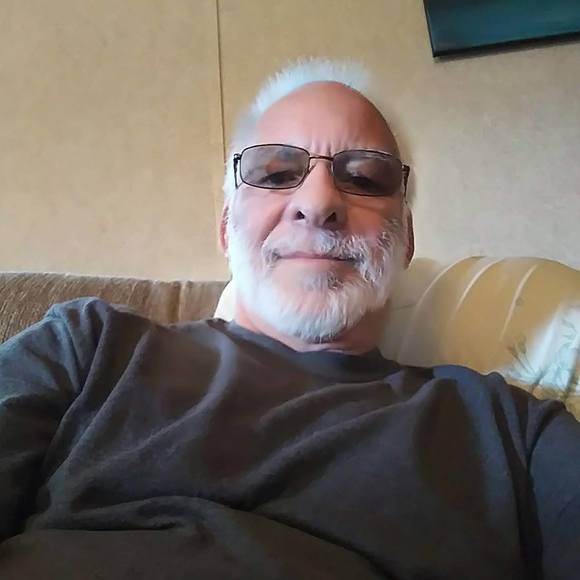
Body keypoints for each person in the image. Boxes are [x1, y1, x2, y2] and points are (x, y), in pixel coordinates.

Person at [0, 58, 579, 580]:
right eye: (276, 174)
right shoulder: (86, 348)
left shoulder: (513, 435)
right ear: (226, 229)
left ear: (405, 240)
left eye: (364, 178)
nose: (319, 202)